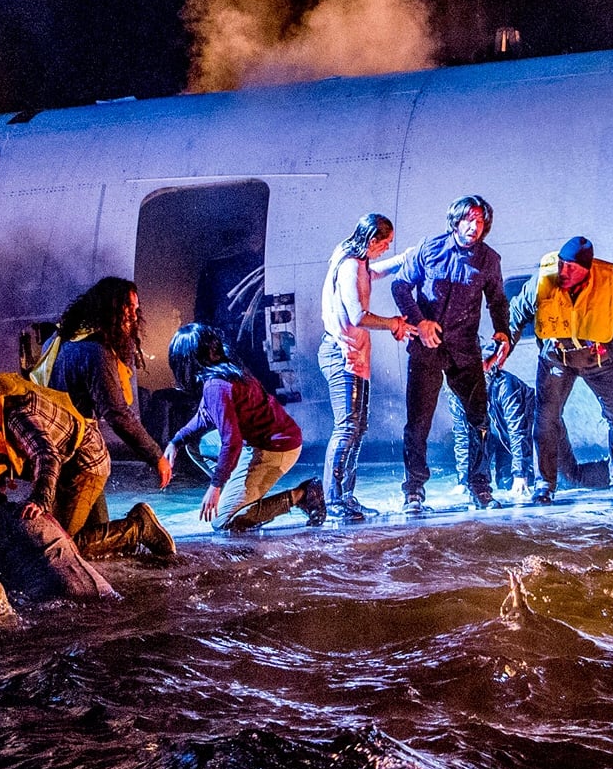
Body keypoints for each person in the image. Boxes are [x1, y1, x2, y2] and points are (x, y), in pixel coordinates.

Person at [0, 350, 175, 560]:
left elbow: (46, 454)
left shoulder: (15, 411)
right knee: (65, 532)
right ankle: (110, 534)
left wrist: (40, 499)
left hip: (84, 464)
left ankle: (138, 527)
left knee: (60, 545)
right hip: (67, 461)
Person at [509, 237, 613, 503]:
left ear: (587, 270)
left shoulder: (610, 290)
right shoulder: (542, 283)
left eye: (572, 267)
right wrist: (501, 348)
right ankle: (545, 483)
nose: (563, 272)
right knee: (545, 420)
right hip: (557, 358)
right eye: (562, 264)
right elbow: (515, 315)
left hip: (600, 362)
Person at [390, 195, 512, 512]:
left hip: (465, 350)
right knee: (418, 424)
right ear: (456, 221)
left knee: (478, 420)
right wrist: (420, 321)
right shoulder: (429, 248)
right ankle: (413, 491)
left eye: (480, 221)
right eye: (469, 219)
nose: (474, 227)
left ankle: (480, 487)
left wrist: (503, 331)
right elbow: (400, 286)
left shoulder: (489, 259)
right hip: (427, 348)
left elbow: (498, 301)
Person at [163, 323, 324, 532]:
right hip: (259, 442)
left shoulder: (216, 386)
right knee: (194, 444)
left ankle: (302, 495)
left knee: (224, 522)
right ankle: (238, 494)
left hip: (276, 448)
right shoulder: (226, 369)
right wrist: (176, 441)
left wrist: (215, 485)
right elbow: (205, 416)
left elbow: (232, 442)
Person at [318, 214, 414, 521]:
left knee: (357, 428)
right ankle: (333, 500)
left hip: (355, 355)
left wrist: (403, 260)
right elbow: (358, 315)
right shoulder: (350, 265)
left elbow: (371, 274)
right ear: (372, 240)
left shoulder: (354, 258)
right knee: (347, 427)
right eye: (385, 243)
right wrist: (394, 323)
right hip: (341, 354)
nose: (386, 248)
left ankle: (346, 496)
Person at [36, 277, 173, 489]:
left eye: (136, 309)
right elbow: (117, 414)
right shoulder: (95, 352)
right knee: (74, 511)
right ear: (110, 309)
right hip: (78, 457)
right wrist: (156, 456)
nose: (134, 317)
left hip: (51, 448)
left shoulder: (56, 339)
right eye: (128, 308)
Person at [448, 336, 576, 498]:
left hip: (541, 439)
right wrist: (463, 480)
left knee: (570, 479)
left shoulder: (505, 386)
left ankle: (605, 470)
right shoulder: (457, 394)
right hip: (507, 444)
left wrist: (520, 474)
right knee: (505, 483)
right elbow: (463, 437)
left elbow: (518, 430)